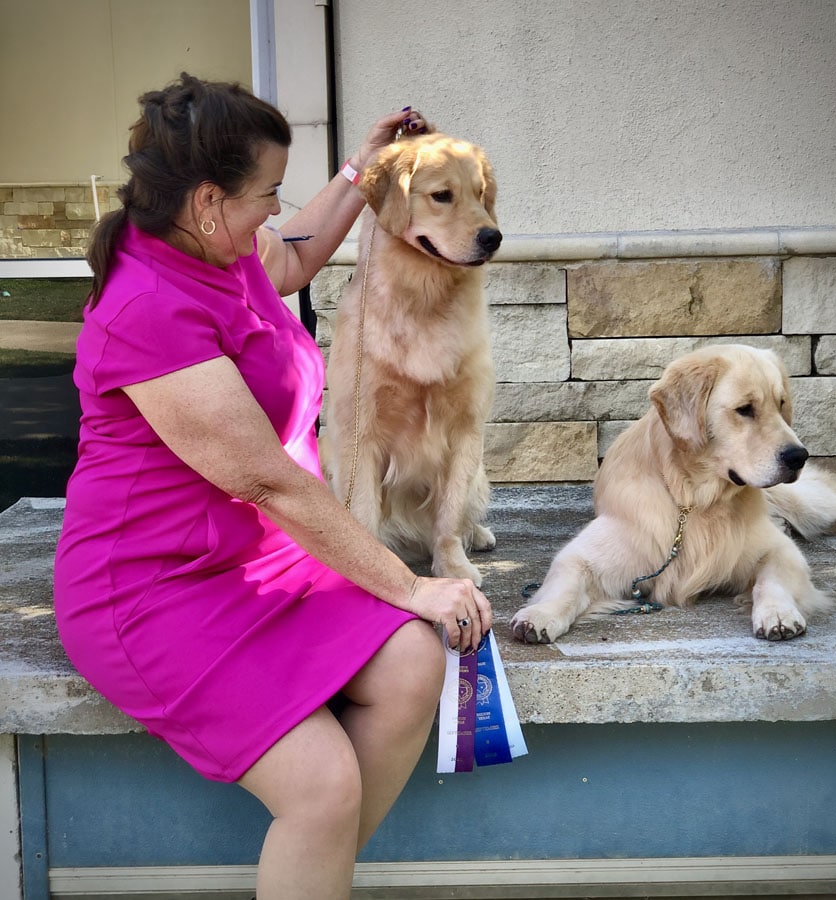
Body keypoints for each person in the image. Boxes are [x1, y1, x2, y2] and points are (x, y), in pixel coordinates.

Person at [53, 72, 492, 900]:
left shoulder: (220, 245)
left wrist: (365, 168)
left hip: (259, 562)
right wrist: (412, 586)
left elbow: (291, 256)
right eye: (267, 193)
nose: (273, 210)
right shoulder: (146, 306)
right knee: (323, 789)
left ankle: (310, 878)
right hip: (151, 588)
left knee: (408, 666)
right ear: (210, 200)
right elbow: (266, 481)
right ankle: (313, 860)